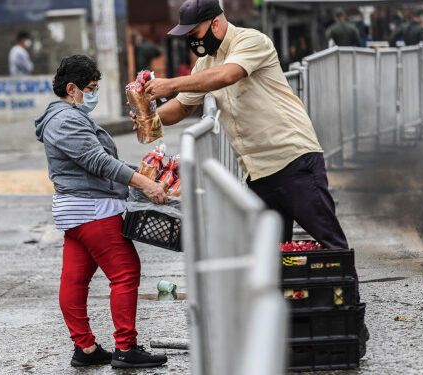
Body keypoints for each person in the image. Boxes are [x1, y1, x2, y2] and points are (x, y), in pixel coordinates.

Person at [139, 0, 349, 250]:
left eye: (194, 34)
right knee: (267, 256)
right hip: (256, 172)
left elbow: (229, 74)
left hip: (292, 159)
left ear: (215, 23)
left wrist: (171, 84)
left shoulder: (251, 41)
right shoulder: (205, 64)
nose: (192, 42)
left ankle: (346, 290)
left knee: (331, 243)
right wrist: (149, 116)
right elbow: (182, 107)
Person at [34, 55, 168, 369]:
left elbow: (102, 164)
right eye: (90, 88)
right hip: (92, 210)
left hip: (80, 211)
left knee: (75, 279)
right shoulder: (66, 120)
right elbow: (100, 163)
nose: (93, 94)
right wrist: (144, 184)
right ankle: (126, 348)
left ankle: (86, 349)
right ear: (71, 88)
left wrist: (147, 174)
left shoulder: (68, 117)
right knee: (125, 272)